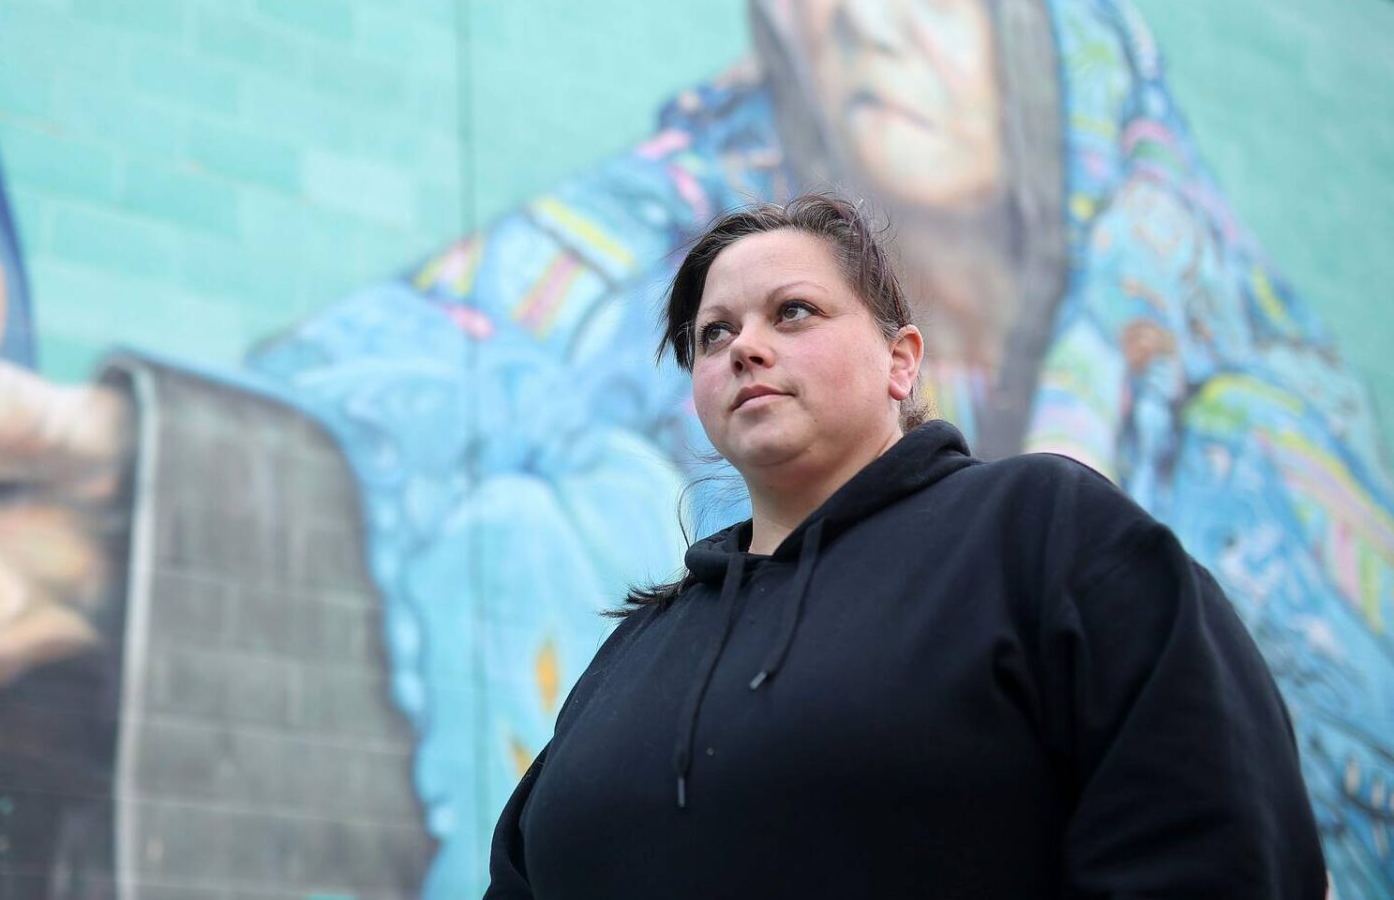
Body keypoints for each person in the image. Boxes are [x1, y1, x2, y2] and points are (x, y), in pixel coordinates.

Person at [0, 0, 1392, 896]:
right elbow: (397, 390)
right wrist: (128, 525)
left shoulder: (1076, 528)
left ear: (903, 356)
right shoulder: (649, 642)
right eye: (714, 330)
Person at [480, 192, 1326, 897]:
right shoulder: (634, 653)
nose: (746, 348)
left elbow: (1221, 844)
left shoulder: (1043, 534)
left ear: (901, 361)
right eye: (714, 334)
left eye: (793, 311)